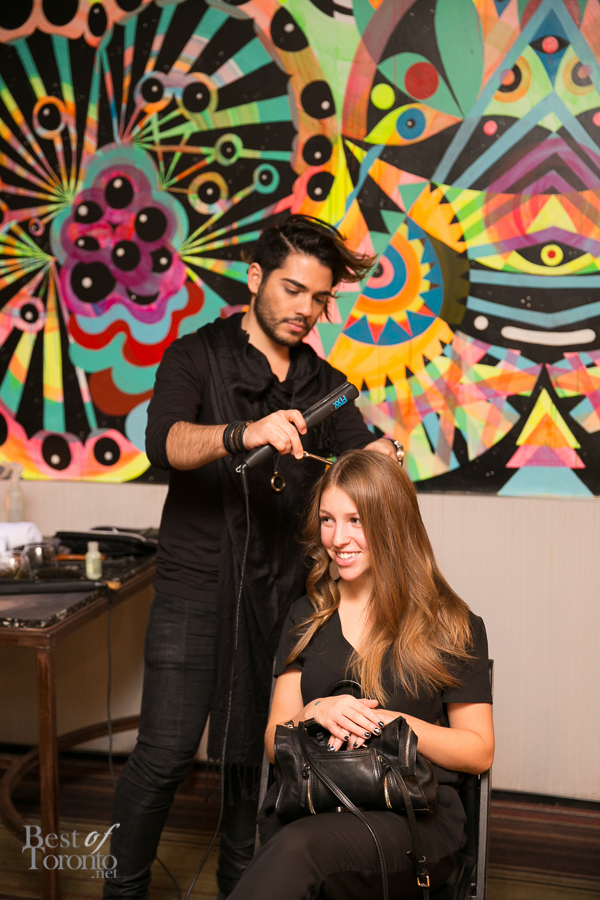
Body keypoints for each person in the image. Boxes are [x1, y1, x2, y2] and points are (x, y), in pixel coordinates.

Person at [103, 215, 399, 899]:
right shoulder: (194, 356)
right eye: (293, 290)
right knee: (164, 755)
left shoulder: (327, 383)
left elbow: (357, 464)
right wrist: (246, 432)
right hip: (195, 587)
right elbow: (165, 443)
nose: (306, 310)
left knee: (256, 764)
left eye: (319, 298)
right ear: (256, 277)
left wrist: (380, 458)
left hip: (285, 598)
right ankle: (121, 889)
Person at [229, 449, 494, 900]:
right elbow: (275, 741)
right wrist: (314, 710)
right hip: (313, 802)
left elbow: (478, 751)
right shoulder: (306, 615)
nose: (338, 538)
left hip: (410, 818)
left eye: (356, 520)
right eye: (327, 520)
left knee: (297, 850)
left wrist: (391, 721)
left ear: (392, 523)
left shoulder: (452, 624)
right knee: (297, 846)